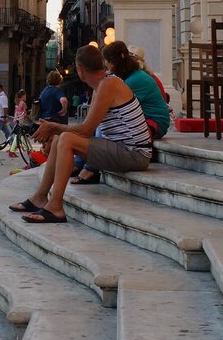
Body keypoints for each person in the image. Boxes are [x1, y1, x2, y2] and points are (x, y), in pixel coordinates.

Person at [10, 45, 151, 224]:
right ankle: (40, 197)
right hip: (121, 149)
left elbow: (85, 129)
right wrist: (55, 130)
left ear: (79, 69)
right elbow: (87, 128)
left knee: (66, 139)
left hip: (134, 153)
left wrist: (54, 126)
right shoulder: (103, 84)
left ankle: (55, 207)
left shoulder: (109, 84)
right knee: (59, 139)